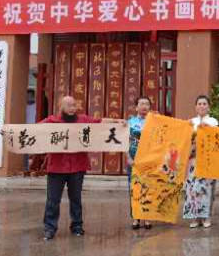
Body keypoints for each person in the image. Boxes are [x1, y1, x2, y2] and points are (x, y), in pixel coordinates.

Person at [40, 95, 122, 241]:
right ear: (61, 106)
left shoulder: (83, 120)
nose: (72, 108)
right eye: (69, 105)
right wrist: (10, 133)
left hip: (77, 167)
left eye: (74, 105)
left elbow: (100, 122)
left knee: (76, 199)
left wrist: (118, 122)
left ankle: (77, 226)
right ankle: (49, 228)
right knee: (53, 200)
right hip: (56, 168)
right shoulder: (52, 121)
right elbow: (32, 130)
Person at [183, 95, 219, 229]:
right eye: (199, 103)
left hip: (208, 161)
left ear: (209, 107)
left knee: (206, 188)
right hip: (192, 160)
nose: (202, 106)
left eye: (204, 104)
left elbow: (217, 139)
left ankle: (206, 217)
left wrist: (207, 129)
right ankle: (195, 217)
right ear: (195, 107)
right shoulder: (191, 122)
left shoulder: (213, 121)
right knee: (192, 188)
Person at [127, 96, 153, 230]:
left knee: (148, 188)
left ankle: (147, 217)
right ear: (136, 107)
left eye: (147, 104)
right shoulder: (130, 122)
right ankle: (136, 218)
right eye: (141, 104)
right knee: (134, 189)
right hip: (134, 161)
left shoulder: (154, 122)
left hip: (149, 161)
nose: (144, 106)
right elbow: (125, 142)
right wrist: (128, 158)